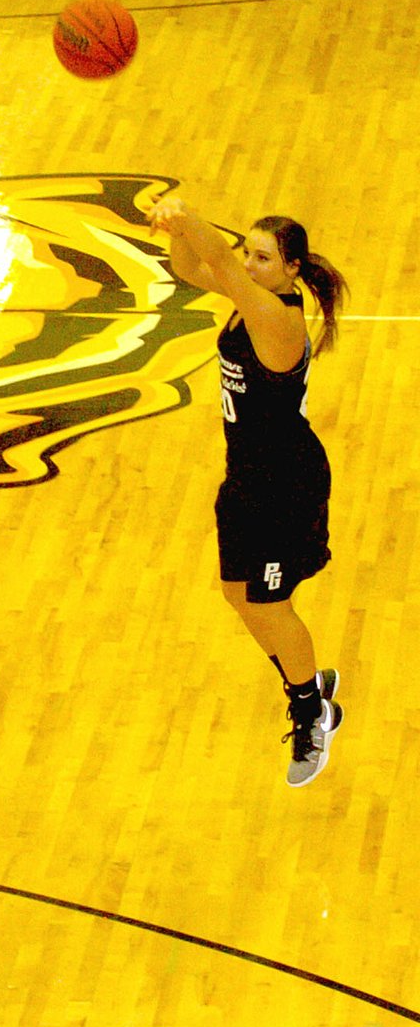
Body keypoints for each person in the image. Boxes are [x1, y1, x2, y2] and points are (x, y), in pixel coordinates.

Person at [147, 196, 348, 787]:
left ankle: (315, 711)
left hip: (286, 486)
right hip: (247, 479)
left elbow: (222, 265)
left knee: (268, 603)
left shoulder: (277, 319)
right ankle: (302, 677)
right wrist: (173, 231)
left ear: (291, 270)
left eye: (264, 257)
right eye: (248, 253)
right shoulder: (246, 300)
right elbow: (192, 268)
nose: (250, 263)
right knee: (237, 593)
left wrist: (187, 216)